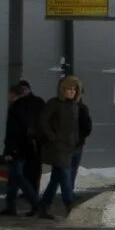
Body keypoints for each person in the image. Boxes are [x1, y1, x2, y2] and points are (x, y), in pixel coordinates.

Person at [35, 74, 84, 219]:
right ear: (63, 90)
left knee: (56, 178)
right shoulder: (54, 104)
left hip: (71, 146)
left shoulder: (74, 106)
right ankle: (69, 205)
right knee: (65, 177)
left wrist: (77, 141)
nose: (72, 92)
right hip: (58, 148)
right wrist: (53, 138)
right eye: (69, 89)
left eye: (74, 90)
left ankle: (43, 205)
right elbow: (43, 122)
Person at [0, 80, 45, 217]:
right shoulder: (39, 103)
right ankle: (11, 206)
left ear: (14, 94)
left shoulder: (16, 108)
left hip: (18, 148)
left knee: (17, 177)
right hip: (34, 146)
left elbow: (12, 131)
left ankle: (36, 204)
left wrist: (9, 150)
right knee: (21, 177)